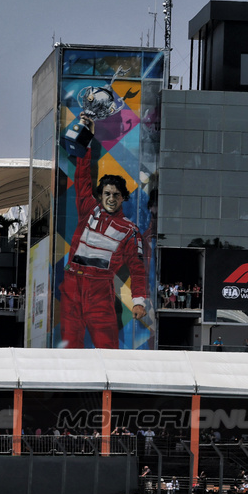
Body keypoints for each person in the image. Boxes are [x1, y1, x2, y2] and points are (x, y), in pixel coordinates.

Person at [60, 112, 148, 350]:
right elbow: (82, 176)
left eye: (116, 195)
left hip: (100, 289)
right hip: (72, 284)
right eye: (107, 194)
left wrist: (139, 302)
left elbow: (138, 270)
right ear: (100, 195)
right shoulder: (88, 208)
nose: (111, 198)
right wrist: (87, 138)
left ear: (123, 198)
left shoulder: (130, 231)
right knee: (69, 346)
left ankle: (110, 387)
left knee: (107, 348)